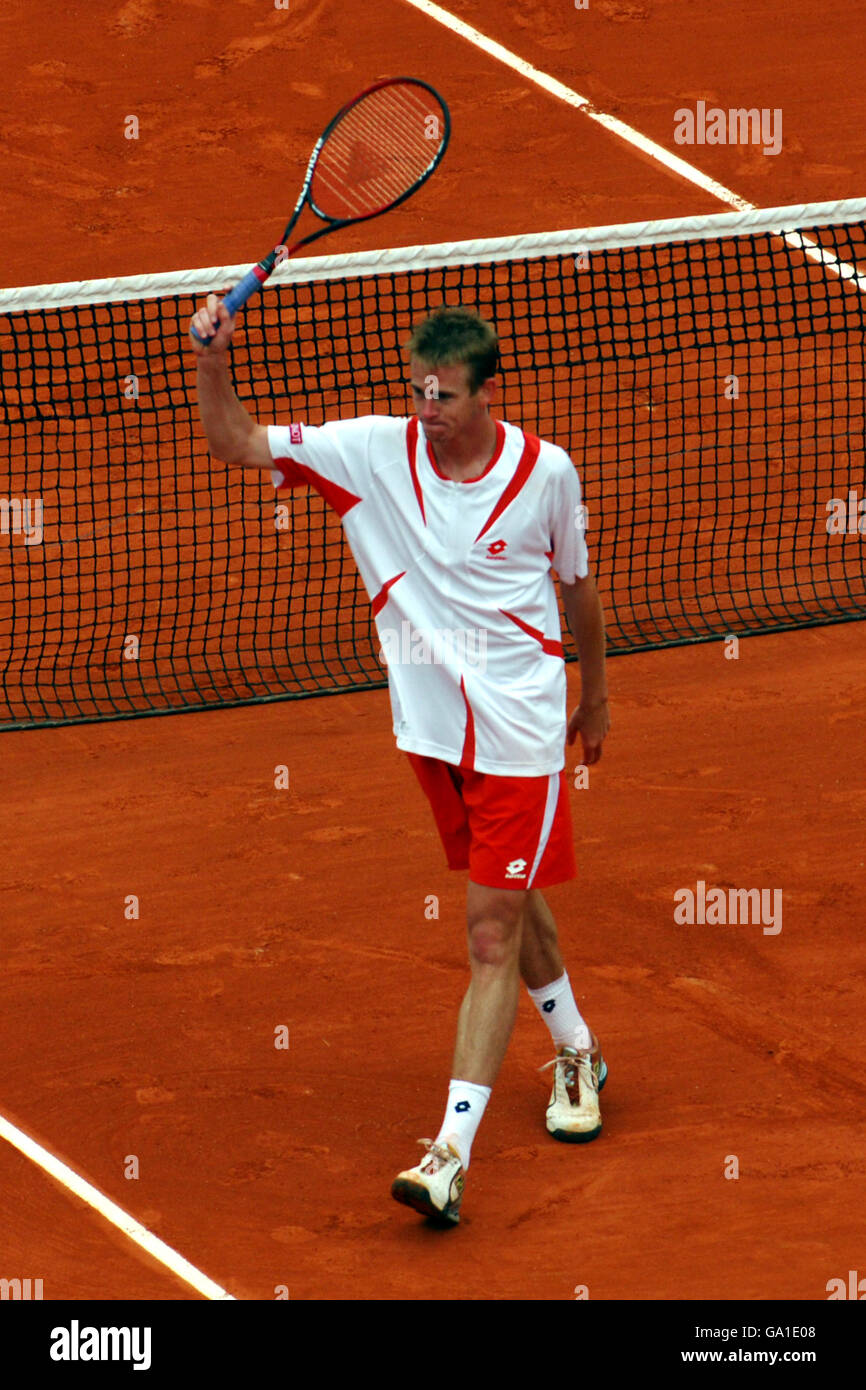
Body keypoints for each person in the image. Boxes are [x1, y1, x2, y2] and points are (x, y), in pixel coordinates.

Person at [190, 297, 611, 1226]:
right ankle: (577, 1046)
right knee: (512, 895)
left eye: (446, 395)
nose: (427, 409)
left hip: (521, 734)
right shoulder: (372, 452)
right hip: (430, 731)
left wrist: (597, 696)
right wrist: (214, 362)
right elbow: (239, 443)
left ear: (487, 391)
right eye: (418, 390)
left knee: (489, 934)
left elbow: (578, 588)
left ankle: (449, 1154)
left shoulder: (547, 474)